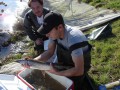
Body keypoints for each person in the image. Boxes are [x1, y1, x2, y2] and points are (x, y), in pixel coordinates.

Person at [24, 12, 91, 90]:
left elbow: (79, 70)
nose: (46, 35)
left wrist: (58, 73)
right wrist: (33, 61)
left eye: (48, 32)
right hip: (64, 63)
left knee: (69, 85)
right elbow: (49, 52)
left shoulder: (73, 39)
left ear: (60, 27)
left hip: (78, 66)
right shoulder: (55, 34)